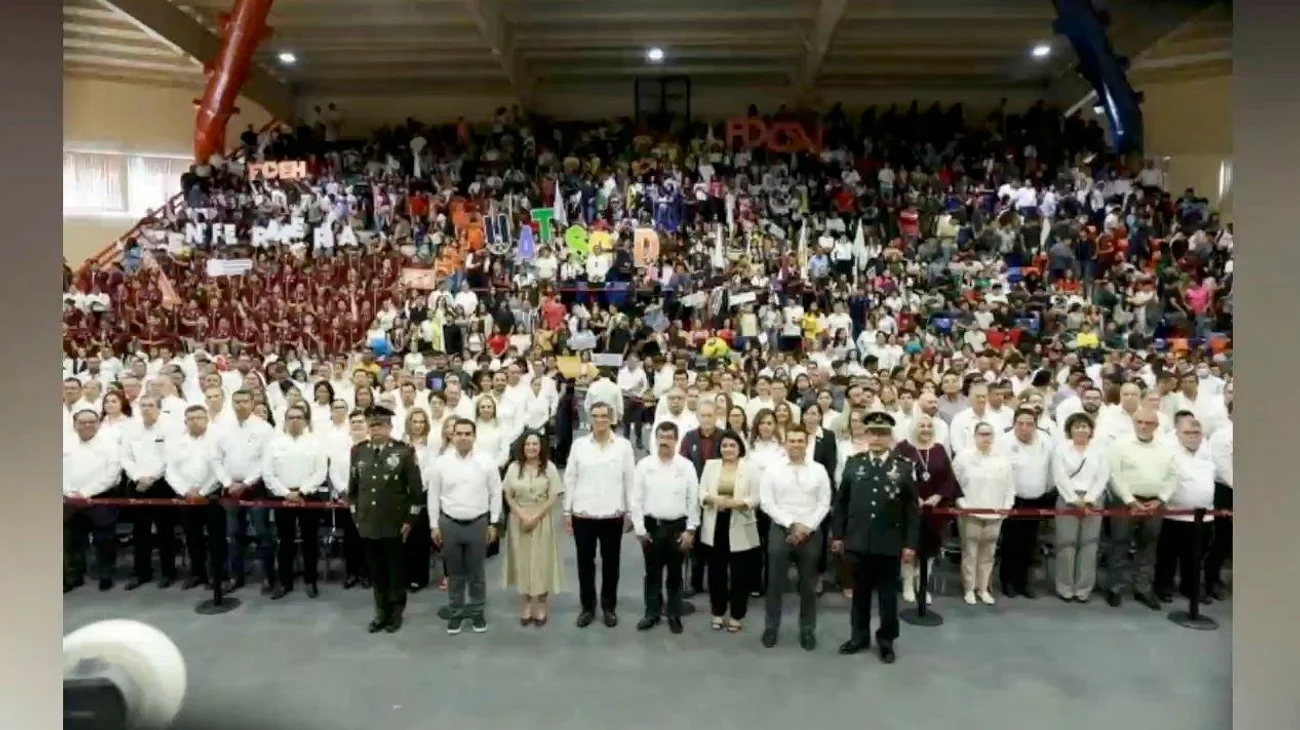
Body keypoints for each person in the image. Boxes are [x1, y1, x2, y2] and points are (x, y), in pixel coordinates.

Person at [830, 411, 918, 664]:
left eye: (882, 433)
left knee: (888, 597)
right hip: (858, 541)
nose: (877, 438)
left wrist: (910, 544)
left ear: (890, 437)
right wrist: (838, 535)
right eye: (873, 433)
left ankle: (886, 641)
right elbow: (842, 503)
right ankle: (858, 637)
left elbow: (911, 510)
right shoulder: (854, 464)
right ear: (865, 435)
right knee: (860, 595)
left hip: (889, 543)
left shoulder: (903, 467)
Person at [347, 405, 423, 634]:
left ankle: (396, 612)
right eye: (371, 425)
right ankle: (380, 612)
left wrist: (410, 521)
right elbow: (354, 488)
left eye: (380, 425)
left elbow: (415, 491)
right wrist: (356, 516)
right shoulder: (359, 451)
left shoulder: (403, 452)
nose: (375, 429)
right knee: (376, 571)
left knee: (395, 571)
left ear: (389, 427)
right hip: (368, 521)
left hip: (394, 522)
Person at [758, 425, 832, 651]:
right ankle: (771, 627)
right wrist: (791, 524)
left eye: (800, 441)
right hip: (781, 529)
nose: (796, 445)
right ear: (785, 444)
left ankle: (807, 629)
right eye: (792, 441)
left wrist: (806, 527)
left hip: (810, 531)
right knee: (774, 583)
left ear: (806, 444)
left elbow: (824, 502)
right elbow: (767, 502)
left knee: (808, 586)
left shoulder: (819, 470)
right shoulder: (773, 469)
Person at [563, 401, 636, 628]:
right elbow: (570, 478)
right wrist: (566, 510)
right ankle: (587, 607)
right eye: (596, 416)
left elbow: (630, 480)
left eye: (604, 416)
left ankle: (608, 606)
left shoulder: (623, 446)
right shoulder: (579, 446)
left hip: (612, 515)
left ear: (611, 419)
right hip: (583, 514)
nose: (600, 420)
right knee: (585, 564)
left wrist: (631, 511)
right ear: (590, 419)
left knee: (611, 564)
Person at [428, 417, 503, 634]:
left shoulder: (486, 461)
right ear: (452, 436)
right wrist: (434, 525)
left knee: (476, 572)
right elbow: (433, 495)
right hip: (449, 523)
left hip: (478, 522)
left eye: (467, 434)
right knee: (455, 573)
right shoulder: (441, 463)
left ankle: (477, 611)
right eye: (458, 433)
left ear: (474, 436)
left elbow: (496, 493)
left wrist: (493, 523)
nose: (463, 437)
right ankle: (456, 611)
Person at [630, 422, 700, 634]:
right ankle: (652, 613)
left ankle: (674, 614)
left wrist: (691, 529)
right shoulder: (644, 466)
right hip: (652, 526)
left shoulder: (686, 466)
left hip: (678, 527)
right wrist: (639, 529)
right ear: (655, 439)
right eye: (661, 437)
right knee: (652, 573)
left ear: (676, 440)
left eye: (669, 437)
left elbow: (693, 500)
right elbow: (636, 499)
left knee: (675, 575)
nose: (664, 441)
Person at [1105, 407, 1179, 610]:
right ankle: (1115, 587)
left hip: (1155, 502)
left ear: (1156, 425)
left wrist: (1161, 499)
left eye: (1149, 423)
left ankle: (1143, 588)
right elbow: (1114, 475)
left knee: (1149, 545)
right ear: (1133, 423)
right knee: (1119, 543)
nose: (1143, 426)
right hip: (1125, 502)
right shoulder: (1119, 444)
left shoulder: (1166, 447)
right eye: (1139, 422)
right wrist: (1130, 500)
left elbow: (1173, 475)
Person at [262, 403, 329, 600]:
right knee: (285, 542)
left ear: (306, 421)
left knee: (310, 541)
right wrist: (286, 493)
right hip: (282, 498)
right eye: (291, 417)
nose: (295, 421)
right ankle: (285, 582)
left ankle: (311, 581)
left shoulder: (316, 443)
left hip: (308, 497)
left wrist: (302, 491)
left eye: (299, 417)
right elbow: (268, 473)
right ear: (285, 421)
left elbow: (320, 472)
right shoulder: (274, 444)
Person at [893, 412, 960, 604]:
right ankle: (907, 584)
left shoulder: (938, 449)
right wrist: (914, 497)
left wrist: (937, 496)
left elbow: (948, 478)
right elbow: (896, 476)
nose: (926, 429)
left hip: (933, 509)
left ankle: (922, 585)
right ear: (914, 427)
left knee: (930, 549)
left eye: (929, 426)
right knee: (909, 546)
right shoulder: (903, 448)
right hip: (909, 508)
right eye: (921, 426)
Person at [698, 430, 760, 632]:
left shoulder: (750, 468)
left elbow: (756, 497)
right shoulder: (711, 466)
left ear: (739, 448)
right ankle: (717, 611)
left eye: (732, 445)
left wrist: (738, 503)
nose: (728, 449)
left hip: (740, 523)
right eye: (724, 445)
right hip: (716, 524)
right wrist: (714, 499)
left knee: (740, 575)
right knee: (716, 573)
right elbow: (701, 492)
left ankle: (736, 615)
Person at [215, 389, 276, 593]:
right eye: (236, 401)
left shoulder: (264, 428)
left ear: (252, 403)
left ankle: (268, 577)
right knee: (233, 535)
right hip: (230, 488)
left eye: (244, 401)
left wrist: (247, 483)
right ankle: (235, 576)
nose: (240, 405)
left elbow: (266, 461)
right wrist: (227, 482)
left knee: (263, 534)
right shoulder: (223, 428)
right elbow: (215, 458)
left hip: (255, 488)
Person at [502, 430, 565, 626]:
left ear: (541, 447)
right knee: (523, 562)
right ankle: (528, 603)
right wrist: (521, 515)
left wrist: (536, 517)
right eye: (528, 444)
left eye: (535, 444)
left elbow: (553, 496)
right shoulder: (514, 468)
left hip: (542, 519)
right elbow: (508, 494)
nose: (531, 447)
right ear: (522, 447)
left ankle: (542, 603)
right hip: (518, 519)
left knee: (542, 561)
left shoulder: (549, 467)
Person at [162, 405, 228, 593]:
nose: (195, 421)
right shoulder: (177, 442)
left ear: (207, 419)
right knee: (192, 537)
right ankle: (198, 573)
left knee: (216, 538)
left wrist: (204, 491)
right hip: (187, 497)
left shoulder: (218, 440)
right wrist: (186, 491)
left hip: (211, 496)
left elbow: (221, 469)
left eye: (199, 417)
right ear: (185, 422)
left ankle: (218, 575)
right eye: (191, 419)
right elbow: (170, 471)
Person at [1155, 411, 1217, 604]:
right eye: (1187, 433)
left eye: (1196, 433)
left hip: (1204, 515)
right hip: (1174, 514)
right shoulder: (1169, 453)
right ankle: (1163, 587)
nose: (1192, 436)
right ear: (1178, 434)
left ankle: (1190, 588)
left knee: (1195, 556)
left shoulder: (1208, 453)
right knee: (1168, 555)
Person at [952, 421, 1015, 605]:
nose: (986, 438)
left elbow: (1010, 487)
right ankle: (969, 588)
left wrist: (1007, 506)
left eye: (989, 434)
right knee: (970, 552)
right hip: (970, 512)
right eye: (982, 434)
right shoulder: (963, 457)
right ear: (975, 436)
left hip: (995, 513)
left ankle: (983, 588)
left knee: (989, 554)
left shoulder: (1002, 459)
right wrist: (963, 505)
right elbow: (954, 484)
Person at [996, 407, 1056, 598]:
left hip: (1037, 499)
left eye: (1029, 424)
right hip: (1013, 500)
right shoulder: (1003, 442)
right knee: (1011, 543)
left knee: (1030, 544)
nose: (1024, 428)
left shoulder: (1046, 441)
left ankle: (1023, 582)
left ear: (1036, 425)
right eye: (1020, 423)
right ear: (1014, 424)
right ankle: (1007, 581)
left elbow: (1051, 469)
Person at [1051, 412, 1110, 602]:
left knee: (1089, 545)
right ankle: (1065, 587)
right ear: (1070, 430)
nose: (1081, 430)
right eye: (1076, 426)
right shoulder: (1061, 449)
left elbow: (1103, 476)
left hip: (1093, 499)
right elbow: (1059, 476)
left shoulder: (1100, 450)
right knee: (1066, 544)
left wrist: (1090, 498)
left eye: (1085, 426)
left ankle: (1084, 588)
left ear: (1091, 430)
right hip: (1067, 498)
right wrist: (1073, 498)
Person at [63, 409, 122, 593]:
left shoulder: (110, 445)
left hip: (100, 496)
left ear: (98, 424)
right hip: (70, 498)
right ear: (75, 425)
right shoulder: (65, 443)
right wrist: (69, 492)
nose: (87, 425)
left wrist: (85, 492)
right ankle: (74, 575)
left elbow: (112, 475)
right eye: (82, 422)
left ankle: (106, 574)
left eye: (92, 422)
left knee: (104, 539)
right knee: (72, 539)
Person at [120, 396, 175, 590]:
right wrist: (138, 477)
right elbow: (125, 457)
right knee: (140, 531)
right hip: (138, 485)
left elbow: (169, 457)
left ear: (159, 408)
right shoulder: (131, 429)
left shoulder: (168, 428)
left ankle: (168, 572)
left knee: (165, 530)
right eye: (143, 405)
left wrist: (152, 478)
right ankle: (141, 572)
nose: (146, 408)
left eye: (151, 405)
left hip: (161, 484)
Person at [327, 408, 370, 589]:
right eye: (354, 422)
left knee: (368, 538)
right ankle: (351, 573)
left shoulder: (374, 447)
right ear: (349, 426)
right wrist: (344, 490)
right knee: (350, 538)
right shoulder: (342, 448)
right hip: (347, 500)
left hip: (369, 501)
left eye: (360, 421)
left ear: (367, 425)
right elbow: (334, 472)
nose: (357, 425)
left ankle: (367, 574)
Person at [1205, 392, 1233, 599]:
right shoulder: (1221, 436)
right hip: (1226, 491)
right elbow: (1223, 469)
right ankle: (1211, 580)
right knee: (1223, 539)